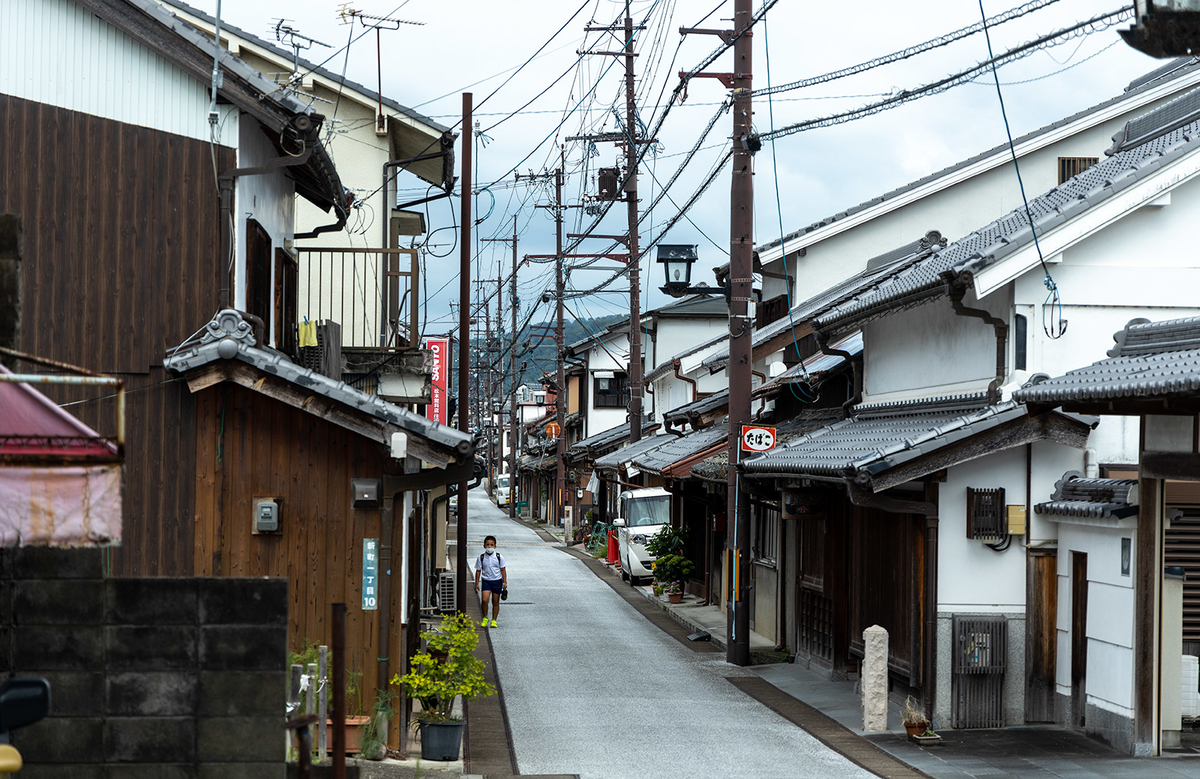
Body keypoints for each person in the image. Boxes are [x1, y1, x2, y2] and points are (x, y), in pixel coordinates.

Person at [473, 535, 507, 628]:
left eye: (491, 545)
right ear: (484, 546)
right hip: (486, 581)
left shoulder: (499, 557)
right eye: (487, 545)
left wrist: (504, 582)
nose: (489, 547)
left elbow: (503, 569)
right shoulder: (481, 557)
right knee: (484, 600)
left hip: (497, 581)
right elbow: (478, 571)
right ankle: (485, 617)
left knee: (495, 601)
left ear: (495, 546)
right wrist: (476, 583)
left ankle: (494, 620)